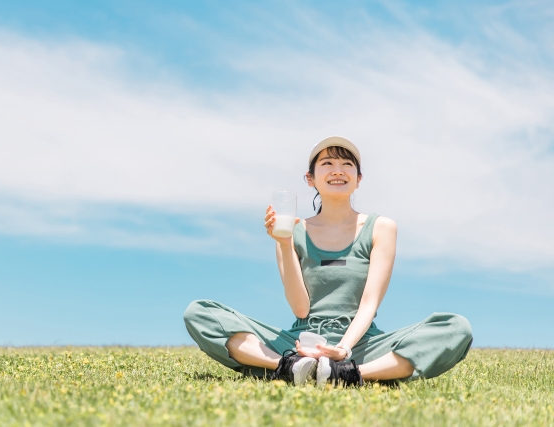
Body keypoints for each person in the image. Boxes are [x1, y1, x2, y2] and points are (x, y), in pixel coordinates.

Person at [183, 136, 473, 387]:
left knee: (455, 327)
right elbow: (300, 308)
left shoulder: (381, 228)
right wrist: (284, 244)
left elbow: (369, 305)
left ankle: (349, 374)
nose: (338, 171)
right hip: (298, 344)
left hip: (360, 343)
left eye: (347, 165)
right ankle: (287, 367)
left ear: (358, 178)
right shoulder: (291, 231)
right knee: (200, 313)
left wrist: (344, 350)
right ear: (311, 179)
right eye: (327, 164)